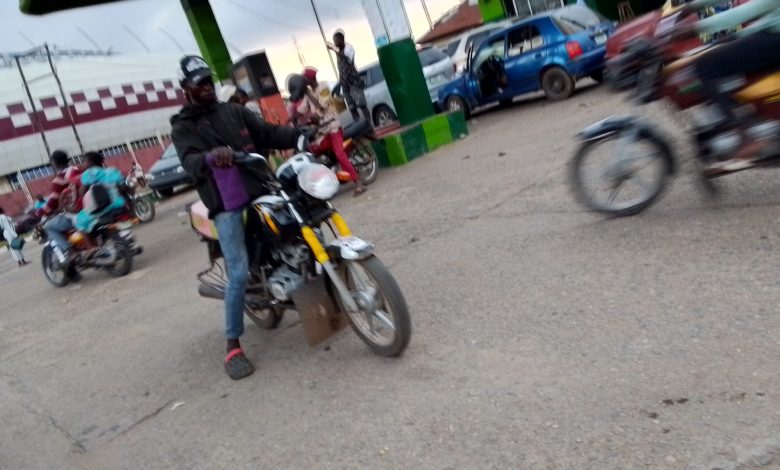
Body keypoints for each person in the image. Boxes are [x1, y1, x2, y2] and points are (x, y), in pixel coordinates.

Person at [170, 55, 300, 380]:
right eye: (198, 84)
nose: (206, 88)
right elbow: (190, 161)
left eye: (207, 81)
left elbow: (266, 132)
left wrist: (296, 135)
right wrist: (210, 156)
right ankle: (233, 345)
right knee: (238, 272)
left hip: (259, 187)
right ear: (186, 89)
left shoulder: (233, 110)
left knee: (300, 224)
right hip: (227, 203)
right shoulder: (183, 126)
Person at [675, 0, 780, 172]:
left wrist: (697, 27)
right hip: (769, 28)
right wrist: (693, 6)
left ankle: (745, 136)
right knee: (716, 49)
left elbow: (748, 11)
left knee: (705, 65)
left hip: (776, 38)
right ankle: (742, 119)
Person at [289, 68, 366, 196]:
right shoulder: (309, 93)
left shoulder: (323, 88)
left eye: (306, 79)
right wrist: (292, 118)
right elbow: (302, 109)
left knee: (339, 154)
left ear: (311, 79)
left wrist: (308, 95)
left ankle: (358, 183)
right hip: (323, 130)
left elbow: (321, 106)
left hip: (333, 126)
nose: (304, 82)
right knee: (313, 151)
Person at [34, 150, 83, 266]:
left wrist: (39, 213)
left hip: (74, 212)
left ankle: (70, 251)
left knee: (49, 226)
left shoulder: (59, 179)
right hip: (86, 207)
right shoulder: (77, 170)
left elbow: (52, 203)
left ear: (56, 163)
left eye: (52, 162)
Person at [328, 29, 370, 122]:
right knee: (352, 108)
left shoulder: (348, 48)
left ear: (342, 39)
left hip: (354, 83)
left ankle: (369, 125)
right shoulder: (338, 52)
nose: (335, 42)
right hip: (345, 85)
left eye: (337, 39)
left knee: (362, 105)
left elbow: (347, 58)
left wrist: (335, 50)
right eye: (334, 41)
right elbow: (342, 70)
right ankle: (360, 127)